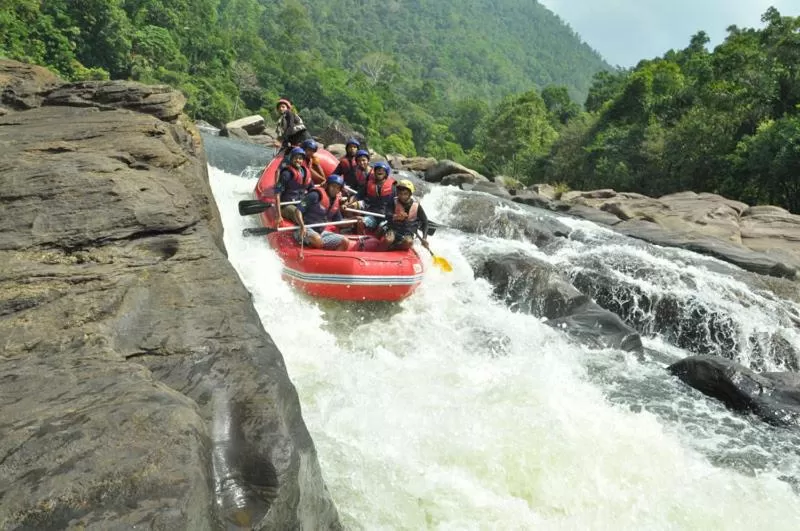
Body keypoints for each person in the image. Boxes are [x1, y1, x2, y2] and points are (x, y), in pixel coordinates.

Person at [293, 174, 350, 251]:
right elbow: (298, 210)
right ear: (327, 185)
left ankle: (331, 261)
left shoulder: (335, 202)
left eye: (337, 188)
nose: (335, 189)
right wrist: (302, 226)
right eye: (333, 186)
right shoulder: (315, 195)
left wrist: (355, 219)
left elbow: (339, 221)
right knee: (318, 241)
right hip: (304, 228)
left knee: (344, 241)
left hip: (319, 232)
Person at [380, 179, 429, 251]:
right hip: (393, 229)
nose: (402, 196)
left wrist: (424, 238)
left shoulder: (417, 206)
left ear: (410, 194)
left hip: (408, 231)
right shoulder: (393, 202)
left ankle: (393, 248)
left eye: (405, 194)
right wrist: (395, 217)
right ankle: (384, 248)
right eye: (400, 193)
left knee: (408, 242)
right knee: (388, 240)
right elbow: (387, 216)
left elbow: (425, 222)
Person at [352, 161, 396, 232]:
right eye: (378, 169)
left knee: (381, 228)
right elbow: (358, 195)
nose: (379, 171)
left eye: (382, 170)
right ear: (374, 173)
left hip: (386, 216)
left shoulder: (393, 188)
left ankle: (377, 237)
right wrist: (350, 203)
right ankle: (361, 238)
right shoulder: (368, 184)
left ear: (386, 173)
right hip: (372, 214)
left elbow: (398, 203)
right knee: (361, 222)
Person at [274, 147, 313, 226]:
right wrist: (279, 215)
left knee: (315, 212)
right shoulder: (286, 174)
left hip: (300, 202)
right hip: (287, 205)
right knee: (299, 215)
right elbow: (277, 194)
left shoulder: (305, 172)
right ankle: (304, 231)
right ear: (291, 158)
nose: (298, 160)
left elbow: (312, 189)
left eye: (300, 158)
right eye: (296, 158)